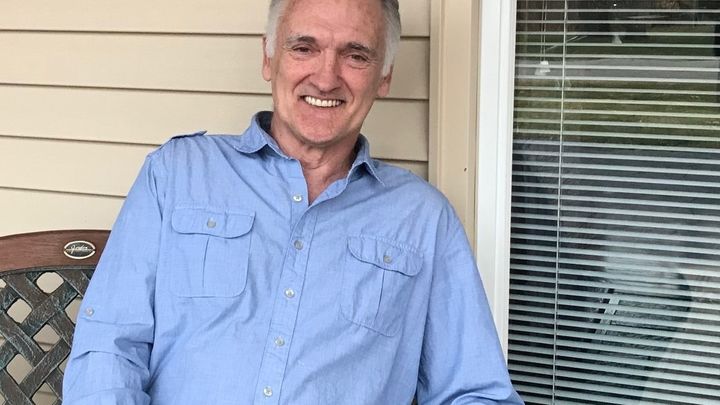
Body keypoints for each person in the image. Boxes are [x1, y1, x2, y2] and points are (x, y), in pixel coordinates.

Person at [62, 0, 524, 403]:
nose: (326, 78)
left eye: (355, 55)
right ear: (268, 57)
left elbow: (476, 392)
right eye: (304, 47)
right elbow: (109, 348)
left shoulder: (423, 220)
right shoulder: (177, 173)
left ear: (384, 76)